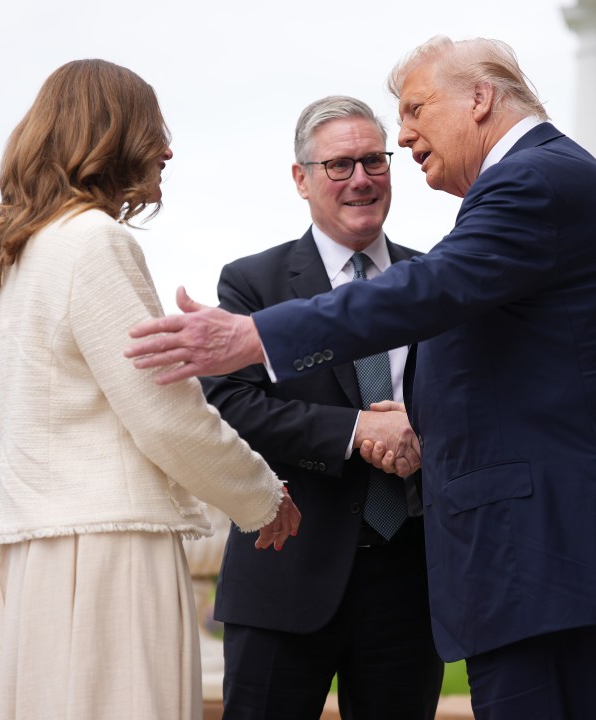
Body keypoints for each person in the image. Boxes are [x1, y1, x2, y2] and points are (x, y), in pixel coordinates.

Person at [125, 36, 596, 719]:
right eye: (344, 161)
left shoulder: (530, 181)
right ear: (301, 176)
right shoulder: (540, 181)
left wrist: (255, 335)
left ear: (480, 98)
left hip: (546, 553)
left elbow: (425, 290)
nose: (404, 135)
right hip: (475, 562)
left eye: (415, 111)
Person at [0, 59, 300, 720]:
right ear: (108, 134)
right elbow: (165, 415)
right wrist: (261, 494)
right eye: (151, 129)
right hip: (107, 557)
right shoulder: (94, 243)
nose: (166, 149)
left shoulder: (22, 254)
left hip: (32, 557)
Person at [199, 95, 443, 720]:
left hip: (409, 579)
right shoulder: (253, 283)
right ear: (301, 179)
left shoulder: (435, 280)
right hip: (286, 571)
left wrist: (422, 431)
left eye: (374, 161)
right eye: (339, 166)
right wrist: (356, 431)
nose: (360, 179)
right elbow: (231, 404)